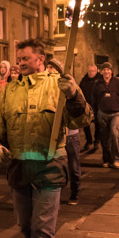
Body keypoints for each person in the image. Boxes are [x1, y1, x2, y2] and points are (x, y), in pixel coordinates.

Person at [0, 40, 92, 238]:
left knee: (42, 233)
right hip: (19, 169)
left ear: (40, 59)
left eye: (25, 58)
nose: (19, 62)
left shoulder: (59, 86)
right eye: (17, 58)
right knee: (26, 228)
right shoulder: (10, 90)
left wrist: (75, 95)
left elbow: (83, 120)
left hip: (49, 167)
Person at [46, 58, 80, 206]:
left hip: (70, 134)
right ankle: (53, 195)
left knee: (73, 166)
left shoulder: (70, 86)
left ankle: (75, 193)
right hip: (55, 135)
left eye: (54, 68)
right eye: (49, 68)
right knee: (53, 166)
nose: (51, 71)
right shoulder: (46, 88)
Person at [91, 62, 119, 169]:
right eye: (104, 70)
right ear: (101, 71)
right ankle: (106, 159)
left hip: (117, 113)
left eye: (108, 70)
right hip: (102, 113)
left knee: (115, 134)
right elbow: (93, 100)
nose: (106, 72)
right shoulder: (97, 84)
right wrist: (93, 113)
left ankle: (116, 159)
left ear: (111, 71)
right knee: (104, 137)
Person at [78, 64, 103, 151]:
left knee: (98, 125)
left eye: (93, 71)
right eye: (90, 71)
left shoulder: (100, 80)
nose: (91, 73)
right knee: (86, 124)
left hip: (97, 106)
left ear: (96, 71)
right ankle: (88, 141)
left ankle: (97, 141)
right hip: (86, 106)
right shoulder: (84, 80)